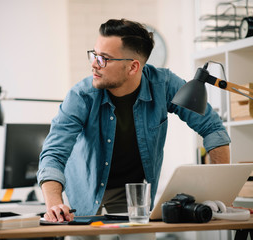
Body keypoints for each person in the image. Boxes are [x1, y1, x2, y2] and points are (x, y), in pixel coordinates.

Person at [37, 18, 230, 223]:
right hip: (86, 190)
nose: (94, 64)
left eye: (104, 58)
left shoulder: (164, 84)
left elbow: (212, 127)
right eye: (94, 54)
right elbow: (53, 154)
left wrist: (223, 196)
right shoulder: (81, 96)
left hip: (133, 195)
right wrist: (54, 205)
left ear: (133, 67)